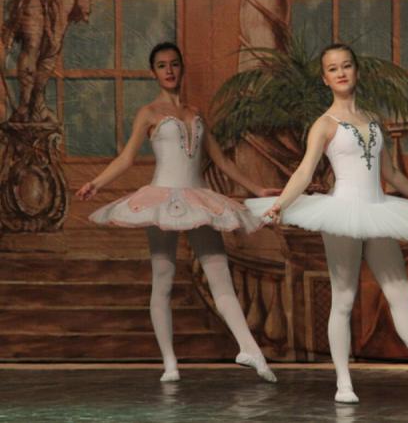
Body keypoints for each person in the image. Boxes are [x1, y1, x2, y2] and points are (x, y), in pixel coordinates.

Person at [246, 43, 408, 404]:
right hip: (343, 213)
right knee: (344, 298)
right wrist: (280, 204)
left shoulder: (373, 119)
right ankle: (343, 383)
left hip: (378, 210)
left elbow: (391, 173)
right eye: (333, 69)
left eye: (346, 66)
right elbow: (304, 171)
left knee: (400, 293)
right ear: (325, 78)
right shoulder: (324, 124)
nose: (341, 73)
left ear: (356, 71)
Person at [76, 42, 277, 383]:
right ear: (153, 72)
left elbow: (220, 160)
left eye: (174, 64)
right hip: (161, 199)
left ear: (182, 68)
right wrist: (96, 182)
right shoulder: (149, 113)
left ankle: (250, 350)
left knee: (220, 274)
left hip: (199, 199)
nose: (169, 71)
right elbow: (126, 157)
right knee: (163, 277)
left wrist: (257, 189)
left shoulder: (196, 113)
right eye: (161, 65)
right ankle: (169, 363)